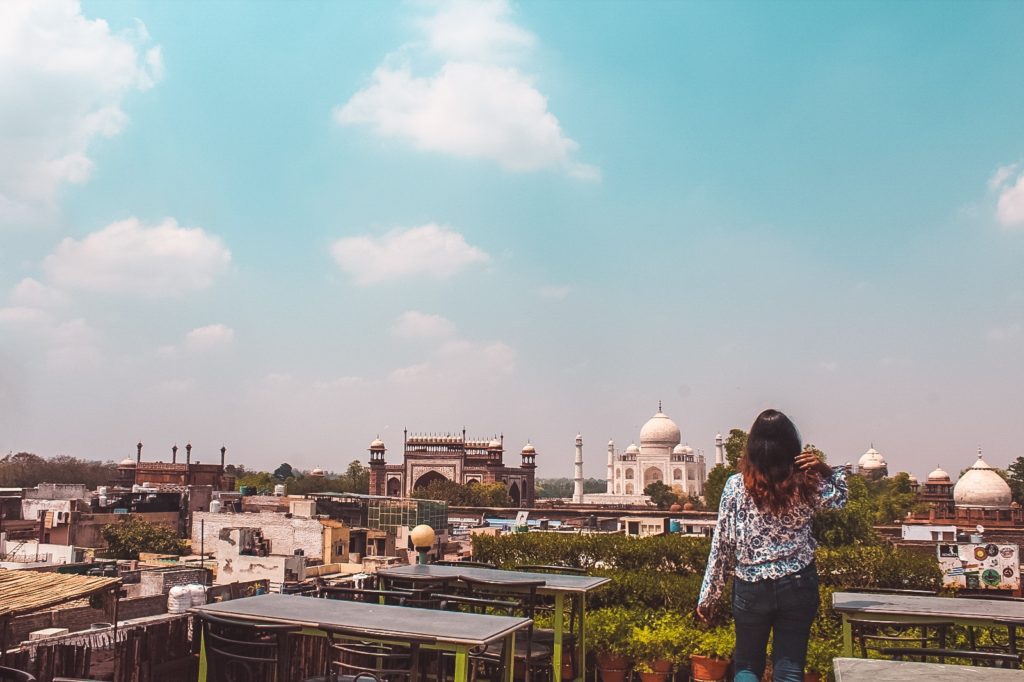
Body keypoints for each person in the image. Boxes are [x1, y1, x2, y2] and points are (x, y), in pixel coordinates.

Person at [696, 409, 848, 682]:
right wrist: (824, 468)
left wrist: (709, 595)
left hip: (751, 584)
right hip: (798, 581)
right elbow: (840, 499)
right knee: (789, 666)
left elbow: (722, 545)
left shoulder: (735, 486)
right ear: (792, 447)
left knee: (747, 665)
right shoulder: (807, 483)